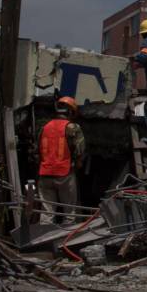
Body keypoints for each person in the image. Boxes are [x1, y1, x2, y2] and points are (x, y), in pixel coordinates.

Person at [36, 96, 85, 224]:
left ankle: (44, 238)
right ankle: (67, 239)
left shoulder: (44, 127)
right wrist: (78, 162)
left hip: (45, 174)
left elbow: (37, 149)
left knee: (47, 213)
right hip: (65, 174)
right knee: (69, 213)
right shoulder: (72, 128)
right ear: (71, 112)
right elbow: (80, 150)